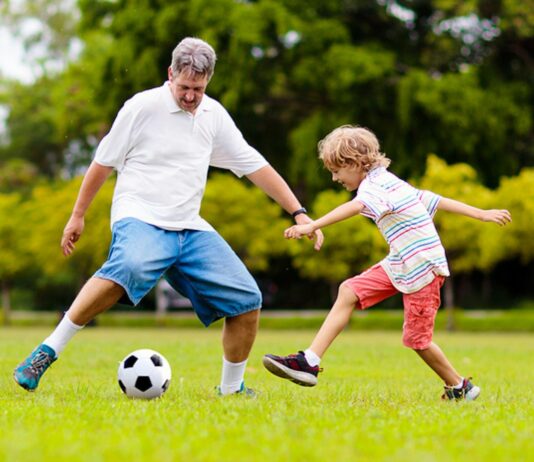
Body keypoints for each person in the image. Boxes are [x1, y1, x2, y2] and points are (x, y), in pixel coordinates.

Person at [13, 37, 323, 396]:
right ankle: (45, 353)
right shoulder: (141, 108)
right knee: (127, 267)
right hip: (140, 217)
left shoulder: (213, 115)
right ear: (170, 73)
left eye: (199, 89)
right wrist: (77, 216)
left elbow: (254, 166)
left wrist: (298, 211)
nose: (191, 96)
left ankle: (231, 389)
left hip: (189, 227)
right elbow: (102, 164)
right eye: (185, 87)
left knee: (247, 299)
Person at [262, 125, 511, 401]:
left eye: (337, 170)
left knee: (418, 341)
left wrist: (314, 225)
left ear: (355, 163)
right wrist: (481, 213)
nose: (334, 178)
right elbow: (432, 199)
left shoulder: (375, 186)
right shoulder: (389, 181)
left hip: (423, 268)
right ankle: (309, 361)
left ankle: (460, 387)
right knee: (349, 290)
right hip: (401, 263)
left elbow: (356, 206)